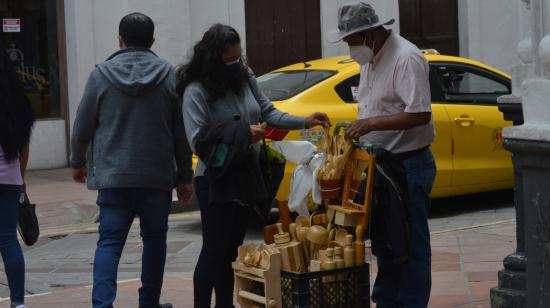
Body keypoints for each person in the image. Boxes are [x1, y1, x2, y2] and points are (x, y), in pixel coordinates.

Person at [178, 24, 331, 308]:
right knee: (213, 251)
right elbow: (196, 139)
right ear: (214, 57)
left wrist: (304, 121)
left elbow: (268, 112)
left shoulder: (243, 76)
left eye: (239, 56)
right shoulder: (196, 89)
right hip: (216, 177)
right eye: (230, 58)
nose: (236, 63)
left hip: (246, 172)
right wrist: (241, 134)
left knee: (233, 251)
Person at [70, 13, 194, 308]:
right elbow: (181, 133)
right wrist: (185, 177)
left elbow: (82, 124)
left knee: (109, 244)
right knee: (154, 242)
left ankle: (102, 304)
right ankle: (148, 302)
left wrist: (77, 161)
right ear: (152, 41)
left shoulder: (101, 74)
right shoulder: (168, 76)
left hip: (114, 177)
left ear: (120, 40)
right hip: (156, 178)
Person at [328, 2, 436, 307]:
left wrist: (371, 123)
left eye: (351, 42)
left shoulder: (405, 58)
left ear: (370, 34)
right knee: (385, 241)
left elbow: (419, 114)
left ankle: (411, 302)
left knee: (411, 241)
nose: (349, 48)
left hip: (409, 163)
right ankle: (387, 300)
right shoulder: (370, 58)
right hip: (381, 164)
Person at [0, 35, 35, 308]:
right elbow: (24, 144)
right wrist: (20, 178)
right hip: (10, 178)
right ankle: (18, 302)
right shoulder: (16, 97)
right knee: (9, 240)